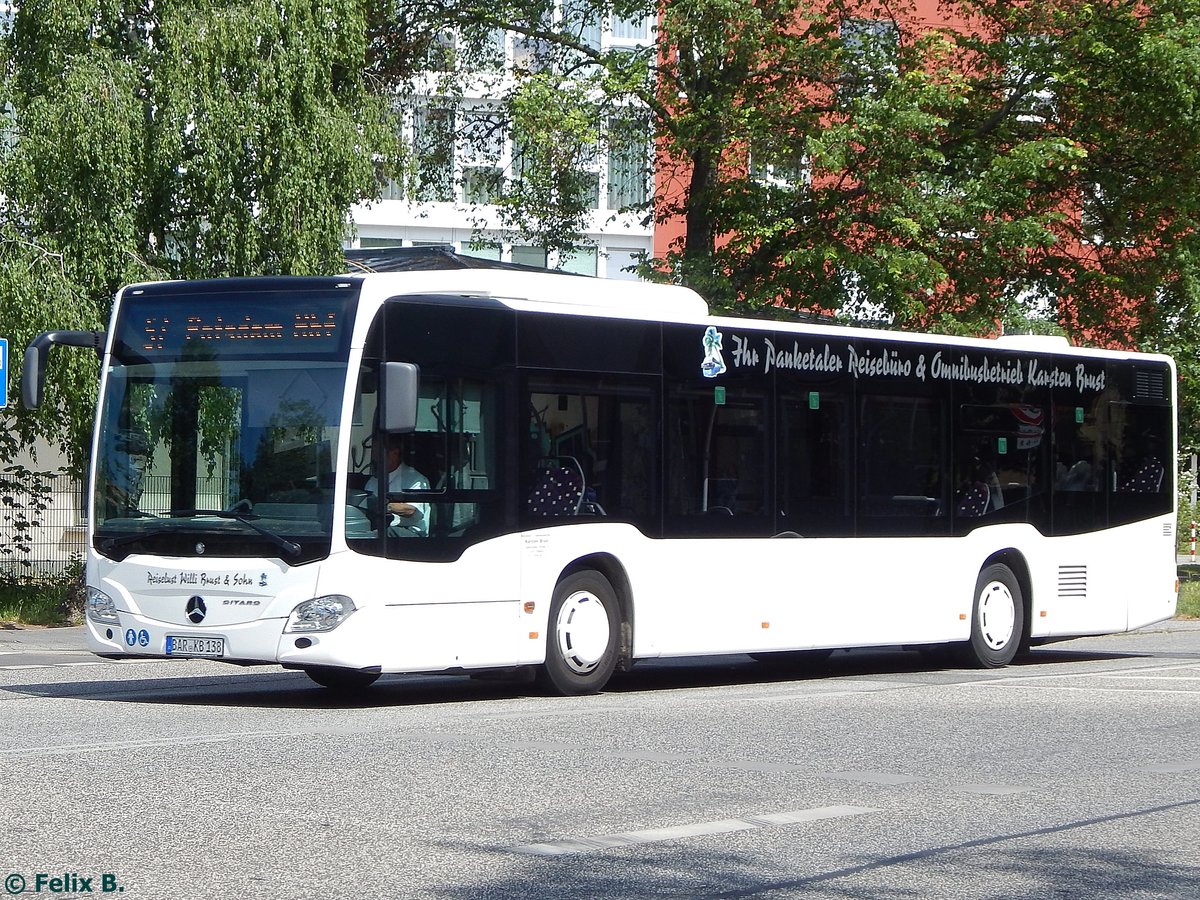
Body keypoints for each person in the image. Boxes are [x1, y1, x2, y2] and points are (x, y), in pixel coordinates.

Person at [364, 434, 430, 535]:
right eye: (374, 453)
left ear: (395, 453)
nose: (375, 458)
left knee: (384, 534)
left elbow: (412, 510)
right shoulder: (373, 481)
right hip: (380, 528)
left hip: (411, 534)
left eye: (379, 453)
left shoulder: (415, 479)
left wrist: (385, 506)